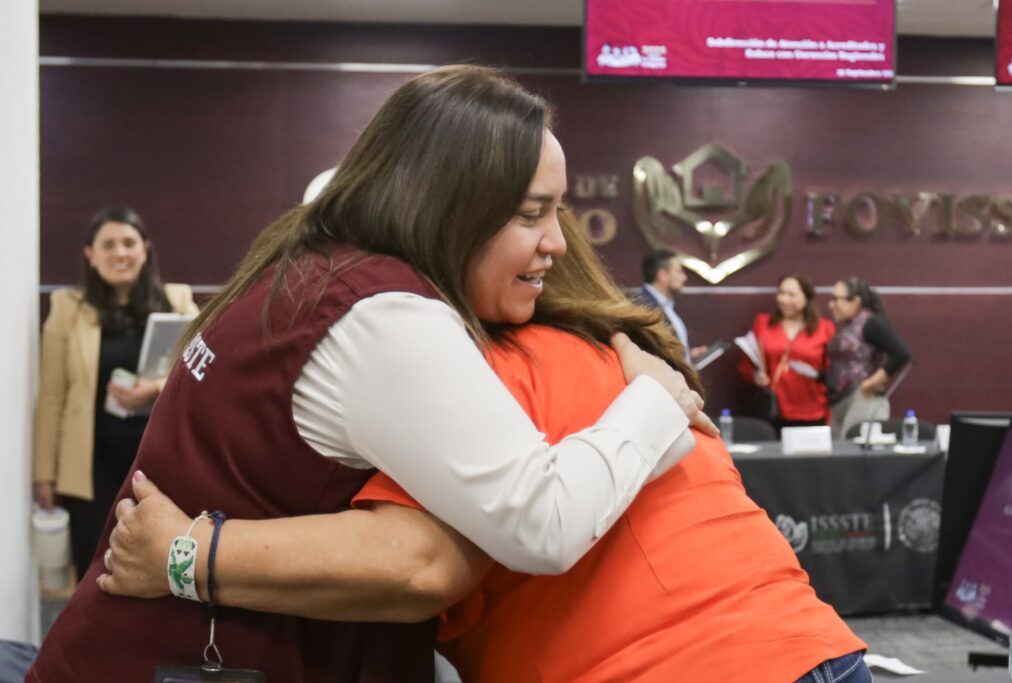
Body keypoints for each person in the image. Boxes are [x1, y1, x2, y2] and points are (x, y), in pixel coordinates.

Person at [29, 65, 712, 682]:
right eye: (531, 213)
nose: (557, 242)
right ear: (448, 204)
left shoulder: (308, 270)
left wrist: (187, 554)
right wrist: (656, 399)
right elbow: (538, 522)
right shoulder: (384, 316)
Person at [99, 209, 871, 683]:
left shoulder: (477, 374)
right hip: (817, 649)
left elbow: (417, 562)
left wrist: (186, 552)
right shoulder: (626, 356)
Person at [31, 206, 198, 580]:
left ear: (145, 250)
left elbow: (195, 376)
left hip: (157, 461)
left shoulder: (177, 301)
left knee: (156, 569)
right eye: (108, 245)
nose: (120, 253)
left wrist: (154, 389)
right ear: (90, 255)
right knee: (94, 570)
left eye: (128, 243)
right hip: (91, 467)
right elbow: (52, 397)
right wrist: (44, 476)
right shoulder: (68, 309)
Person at [743, 274, 835, 430]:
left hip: (813, 410)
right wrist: (756, 376)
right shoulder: (763, 323)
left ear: (806, 297)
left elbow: (832, 371)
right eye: (781, 293)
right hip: (774, 410)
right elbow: (745, 365)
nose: (784, 300)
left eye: (791, 295)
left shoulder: (824, 328)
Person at [826, 276, 912, 439]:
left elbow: (901, 353)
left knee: (854, 447)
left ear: (855, 301)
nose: (831, 305)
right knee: (839, 450)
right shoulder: (847, 326)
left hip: (862, 398)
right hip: (839, 400)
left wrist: (871, 383)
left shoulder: (871, 322)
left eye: (836, 299)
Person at [636, 249, 706, 362]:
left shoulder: (665, 305)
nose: (684, 278)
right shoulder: (644, 307)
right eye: (679, 271)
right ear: (662, 275)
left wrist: (688, 355)